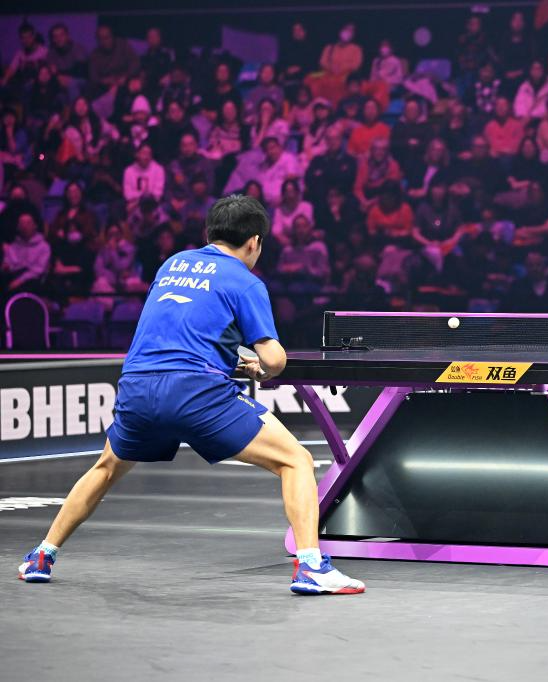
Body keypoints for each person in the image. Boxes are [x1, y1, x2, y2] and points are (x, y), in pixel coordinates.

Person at [16, 195, 364, 595]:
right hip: (196, 393)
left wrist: (225, 355)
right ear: (254, 242)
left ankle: (42, 554)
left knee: (106, 467)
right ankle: (311, 566)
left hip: (137, 387)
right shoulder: (246, 281)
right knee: (296, 460)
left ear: (209, 233)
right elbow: (274, 359)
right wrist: (260, 367)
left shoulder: (173, 264)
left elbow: (182, 325)